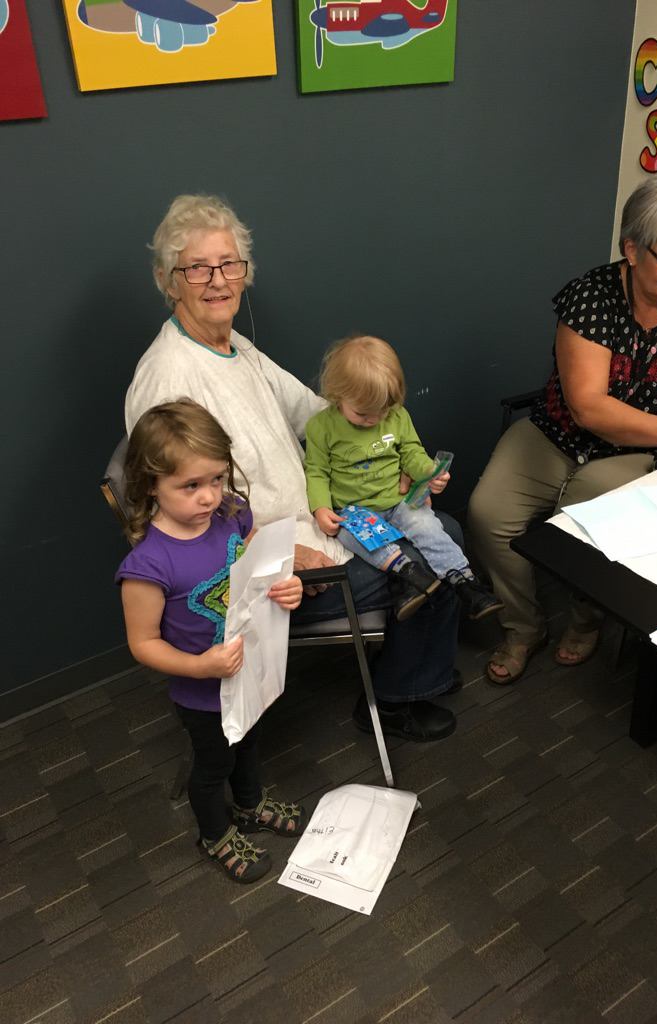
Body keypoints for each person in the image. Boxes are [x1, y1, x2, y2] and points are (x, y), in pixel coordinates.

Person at [125, 194, 461, 742]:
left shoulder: (234, 347)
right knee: (432, 562)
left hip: (317, 521)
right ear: (168, 281)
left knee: (444, 530)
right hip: (266, 568)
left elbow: (318, 417)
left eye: (229, 264)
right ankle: (397, 698)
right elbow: (177, 514)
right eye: (197, 268)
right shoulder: (168, 377)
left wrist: (384, 458)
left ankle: (419, 665)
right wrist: (275, 552)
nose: (218, 280)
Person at [468, 170, 657, 685]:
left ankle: (586, 620)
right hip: (556, 435)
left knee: (589, 526)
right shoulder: (591, 297)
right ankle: (523, 626)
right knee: (487, 514)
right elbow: (589, 407)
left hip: (639, 452)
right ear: (632, 249)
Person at [116, 400, 306, 884]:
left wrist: (285, 586)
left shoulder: (231, 513)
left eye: (217, 479)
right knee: (214, 763)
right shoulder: (148, 565)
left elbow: (258, 565)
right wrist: (200, 667)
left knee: (250, 741)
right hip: (201, 691)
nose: (209, 496)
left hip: (248, 668)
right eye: (191, 486)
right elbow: (143, 643)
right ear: (151, 483)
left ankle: (249, 804)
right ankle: (214, 834)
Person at [305, 334, 503, 622]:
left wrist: (429, 472)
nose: (373, 420)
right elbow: (317, 471)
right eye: (362, 414)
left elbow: (411, 452)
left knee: (427, 525)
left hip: (398, 500)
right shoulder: (321, 427)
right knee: (347, 535)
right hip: (355, 509)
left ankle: (465, 581)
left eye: (382, 411)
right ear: (337, 395)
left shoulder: (397, 416)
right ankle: (409, 573)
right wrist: (321, 507)